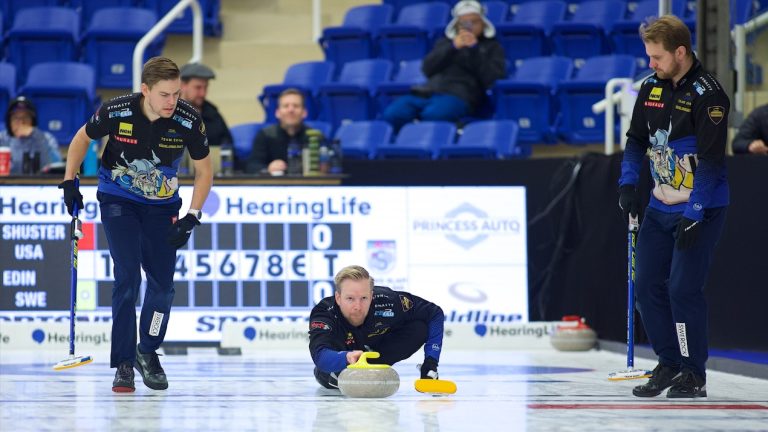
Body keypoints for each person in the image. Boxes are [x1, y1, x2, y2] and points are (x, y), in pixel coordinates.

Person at [58, 57, 213, 393]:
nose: (172, 101)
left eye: (176, 93)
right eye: (164, 94)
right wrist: (70, 181)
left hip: (162, 208)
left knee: (162, 286)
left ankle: (148, 350)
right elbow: (81, 138)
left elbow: (204, 172)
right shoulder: (117, 111)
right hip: (118, 201)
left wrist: (192, 215)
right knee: (127, 277)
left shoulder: (188, 119)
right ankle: (124, 362)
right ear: (145, 91)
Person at [618, 16, 729, 399]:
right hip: (658, 207)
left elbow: (713, 164)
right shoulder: (650, 88)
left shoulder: (708, 94)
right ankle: (668, 362)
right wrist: (628, 183)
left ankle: (692, 372)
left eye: (657, 56)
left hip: (700, 209)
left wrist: (695, 213)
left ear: (680, 52)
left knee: (683, 289)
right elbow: (635, 142)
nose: (651, 64)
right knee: (646, 285)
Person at [308, 265, 445, 389]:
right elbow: (319, 354)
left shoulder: (389, 302)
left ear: (372, 296)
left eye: (364, 298)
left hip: (375, 354)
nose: (358, 307)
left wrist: (431, 362)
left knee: (419, 328)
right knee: (325, 370)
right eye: (350, 299)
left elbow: (435, 313)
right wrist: (346, 357)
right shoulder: (324, 312)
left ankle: (374, 367)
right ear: (338, 298)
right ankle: (338, 372)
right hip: (341, 361)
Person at [381, 0, 506, 132]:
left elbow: (492, 78)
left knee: (434, 115)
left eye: (474, 22)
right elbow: (427, 68)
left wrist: (474, 49)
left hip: (460, 96)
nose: (469, 26)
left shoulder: (492, 47)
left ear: (483, 23)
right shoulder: (445, 43)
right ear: (457, 24)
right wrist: (452, 47)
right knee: (393, 113)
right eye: (464, 22)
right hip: (427, 92)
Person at [246, 88, 309, 175]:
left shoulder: (314, 136)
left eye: (296, 106)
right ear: (277, 113)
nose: (291, 110)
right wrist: (268, 168)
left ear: (304, 113)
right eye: (286, 106)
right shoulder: (265, 135)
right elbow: (252, 166)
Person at [0, 96, 62, 174]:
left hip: (39, 184)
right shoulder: (2, 138)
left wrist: (37, 137)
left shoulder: (46, 138)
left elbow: (56, 165)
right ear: (9, 121)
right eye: (16, 118)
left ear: (33, 120)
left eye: (25, 117)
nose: (21, 122)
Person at [180, 62, 233, 148]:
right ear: (182, 85)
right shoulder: (167, 113)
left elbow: (228, 147)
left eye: (206, 87)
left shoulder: (213, 114)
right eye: (198, 87)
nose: (203, 93)